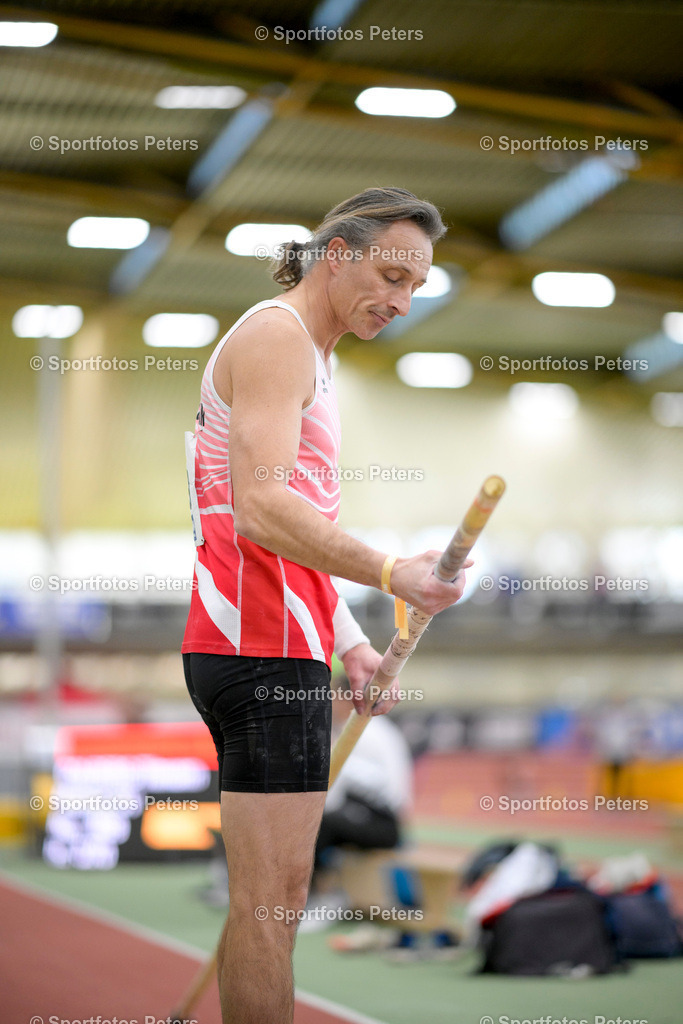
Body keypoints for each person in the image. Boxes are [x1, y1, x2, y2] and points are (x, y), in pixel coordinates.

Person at [181, 186, 471, 1024]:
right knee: (271, 910)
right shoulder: (276, 339)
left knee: (276, 900)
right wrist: (394, 574)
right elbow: (262, 512)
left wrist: (349, 647)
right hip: (257, 652)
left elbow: (294, 536)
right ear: (335, 255)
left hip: (276, 641)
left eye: (415, 285)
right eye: (389, 274)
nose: (400, 301)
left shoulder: (311, 351)